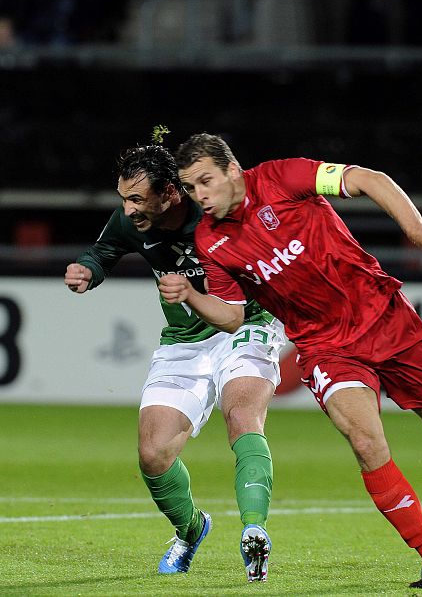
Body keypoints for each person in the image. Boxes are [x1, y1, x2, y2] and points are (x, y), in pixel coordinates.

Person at [159, 133, 422, 589]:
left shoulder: (282, 177)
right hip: (325, 346)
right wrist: (191, 295)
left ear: (232, 170)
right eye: (190, 188)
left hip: (386, 320)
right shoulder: (211, 241)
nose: (200, 196)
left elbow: (369, 179)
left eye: (206, 181)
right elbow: (230, 317)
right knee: (366, 442)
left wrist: (418, 231)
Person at [64, 143, 286, 582]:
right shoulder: (130, 221)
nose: (127, 210)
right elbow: (103, 251)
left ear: (170, 192)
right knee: (153, 454)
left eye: (137, 199)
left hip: (245, 325)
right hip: (184, 341)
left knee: (242, 415)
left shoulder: (214, 213)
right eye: (123, 198)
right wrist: (88, 270)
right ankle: (191, 529)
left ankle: (254, 530)